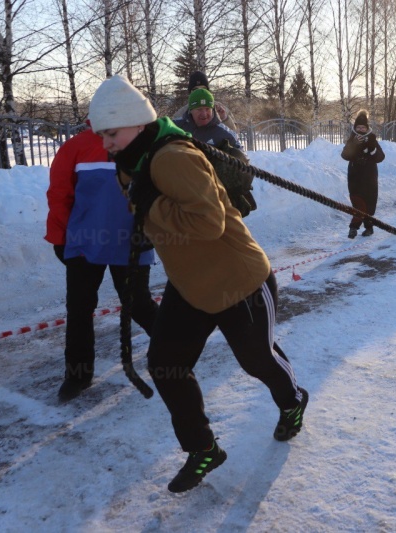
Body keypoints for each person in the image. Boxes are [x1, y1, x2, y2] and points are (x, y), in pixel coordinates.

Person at [88, 74, 309, 492]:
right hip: (190, 285)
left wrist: (152, 202)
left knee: (257, 360)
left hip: (237, 278)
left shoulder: (172, 157)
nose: (107, 144)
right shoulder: (132, 162)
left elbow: (209, 224)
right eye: (102, 135)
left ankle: (293, 399)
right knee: (166, 364)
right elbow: (151, 216)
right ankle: (203, 447)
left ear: (136, 123)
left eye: (112, 133)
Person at [45, 125, 159, 402]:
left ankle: (175, 350)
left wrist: (155, 229)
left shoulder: (147, 144)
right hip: (85, 242)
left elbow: (163, 193)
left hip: (132, 241)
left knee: (139, 304)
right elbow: (60, 194)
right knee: (79, 309)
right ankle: (78, 375)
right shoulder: (75, 147)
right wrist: (60, 238)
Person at [175, 87, 257, 216]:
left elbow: (242, 161)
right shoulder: (176, 126)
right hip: (182, 193)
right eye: (199, 109)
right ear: (191, 110)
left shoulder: (224, 133)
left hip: (214, 197)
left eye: (207, 109)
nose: (204, 114)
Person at [341, 109, 385, 238]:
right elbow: (344, 155)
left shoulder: (372, 139)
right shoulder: (352, 139)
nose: (360, 129)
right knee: (357, 202)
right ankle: (354, 228)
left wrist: (372, 149)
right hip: (355, 177)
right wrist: (353, 146)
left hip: (369, 177)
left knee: (369, 203)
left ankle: (368, 227)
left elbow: (381, 157)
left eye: (363, 127)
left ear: (367, 128)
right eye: (358, 127)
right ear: (355, 128)